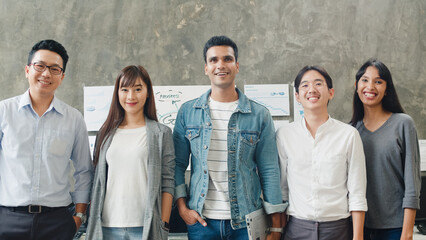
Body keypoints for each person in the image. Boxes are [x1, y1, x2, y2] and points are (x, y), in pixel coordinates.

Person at [173, 35, 286, 240]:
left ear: (237, 65)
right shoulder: (188, 112)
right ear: (206, 68)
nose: (220, 65)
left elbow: (269, 170)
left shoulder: (259, 115)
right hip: (201, 222)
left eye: (227, 59)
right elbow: (177, 165)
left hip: (247, 223)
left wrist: (276, 227)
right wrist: (182, 208)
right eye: (213, 60)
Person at [0, 40, 93, 239]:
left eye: (54, 69)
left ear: (62, 76)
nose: (46, 74)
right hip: (8, 220)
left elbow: (84, 170)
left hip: (57, 222)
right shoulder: (3, 112)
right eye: (39, 66)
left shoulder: (74, 119)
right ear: (27, 70)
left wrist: (78, 216)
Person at [277, 65, 367, 240]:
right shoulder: (284, 135)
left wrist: (358, 237)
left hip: (338, 229)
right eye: (304, 85)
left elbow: (357, 192)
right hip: (296, 228)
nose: (312, 89)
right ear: (297, 96)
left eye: (318, 84)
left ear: (331, 93)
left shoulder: (349, 135)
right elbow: (282, 191)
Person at [85, 65, 175, 240]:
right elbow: (97, 178)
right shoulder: (106, 133)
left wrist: (163, 223)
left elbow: (168, 181)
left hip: (145, 227)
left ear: (148, 92)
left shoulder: (161, 133)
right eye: (124, 89)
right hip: (106, 227)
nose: (131, 96)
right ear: (117, 93)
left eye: (138, 89)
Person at [350, 59, 421, 240]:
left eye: (378, 81)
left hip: (395, 228)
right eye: (365, 80)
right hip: (359, 228)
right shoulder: (351, 131)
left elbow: (412, 184)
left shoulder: (403, 124)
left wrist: (407, 233)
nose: (370, 86)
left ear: (387, 88)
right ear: (357, 85)